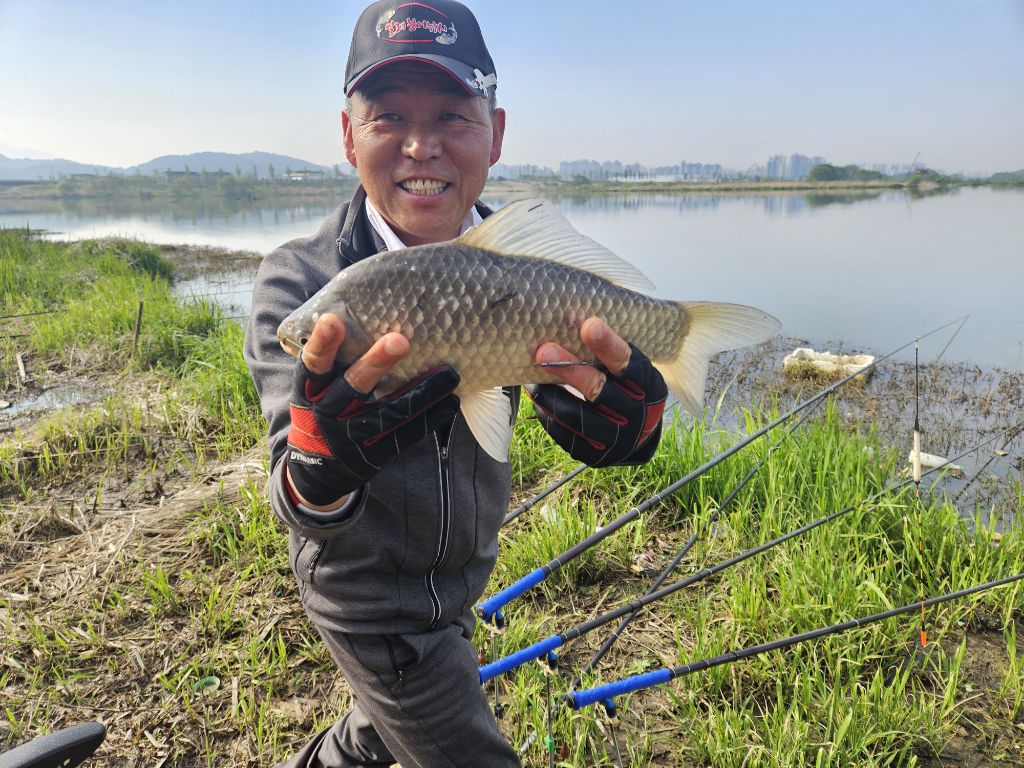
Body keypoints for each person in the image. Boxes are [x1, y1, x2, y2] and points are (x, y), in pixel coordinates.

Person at [243, 2, 668, 765]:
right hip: (368, 599)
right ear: (348, 135)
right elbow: (294, 494)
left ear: (495, 134)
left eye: (451, 114)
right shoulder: (299, 282)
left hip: (464, 575)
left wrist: (630, 431)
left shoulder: (523, 270)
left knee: (379, 736)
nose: (421, 144)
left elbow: (591, 388)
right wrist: (320, 469)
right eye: (388, 117)